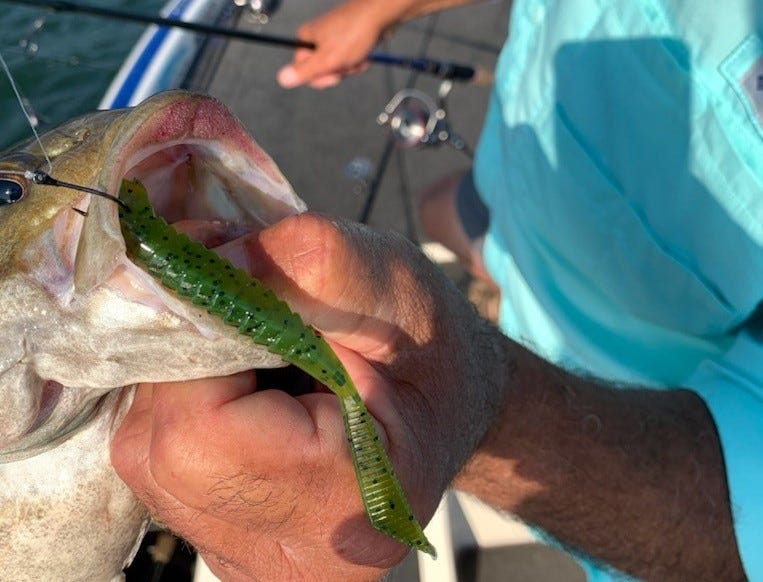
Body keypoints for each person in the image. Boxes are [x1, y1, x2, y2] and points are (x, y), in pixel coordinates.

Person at [111, 1, 762, 580]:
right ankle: (499, 277)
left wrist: (484, 397)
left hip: (645, 389)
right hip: (521, 197)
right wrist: (381, 10)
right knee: (440, 206)